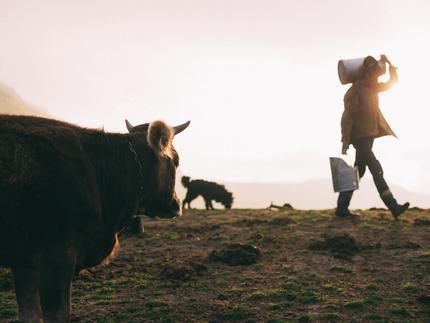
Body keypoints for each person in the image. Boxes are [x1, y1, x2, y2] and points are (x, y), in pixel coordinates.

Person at [337, 54, 409, 218]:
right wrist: (345, 140)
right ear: (366, 73)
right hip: (359, 138)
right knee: (376, 169)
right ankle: (393, 206)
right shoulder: (357, 89)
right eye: (373, 73)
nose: (376, 77)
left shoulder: (373, 87)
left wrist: (390, 65)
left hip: (368, 137)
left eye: (377, 74)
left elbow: (392, 83)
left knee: (358, 171)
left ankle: (341, 208)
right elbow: (347, 117)